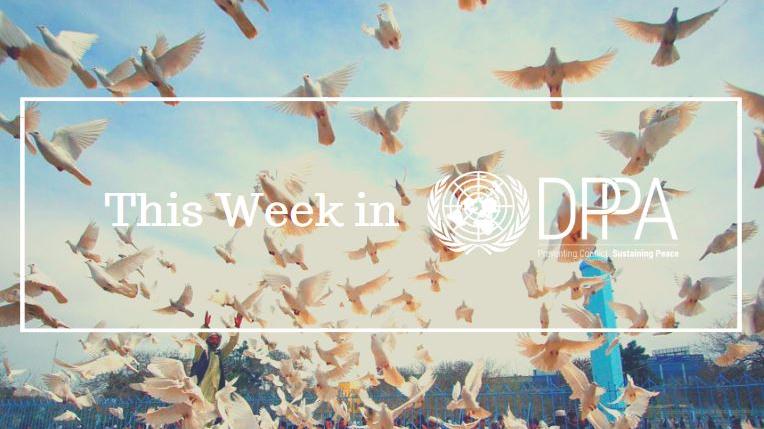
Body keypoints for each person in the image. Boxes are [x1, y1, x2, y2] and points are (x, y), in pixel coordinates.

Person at [190, 311, 242, 402]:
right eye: (212, 339)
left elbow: (232, 344)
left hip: (214, 391)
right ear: (207, 340)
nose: (214, 342)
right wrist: (205, 327)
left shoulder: (219, 354)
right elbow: (199, 340)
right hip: (199, 391)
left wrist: (236, 328)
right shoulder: (200, 352)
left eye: (216, 340)